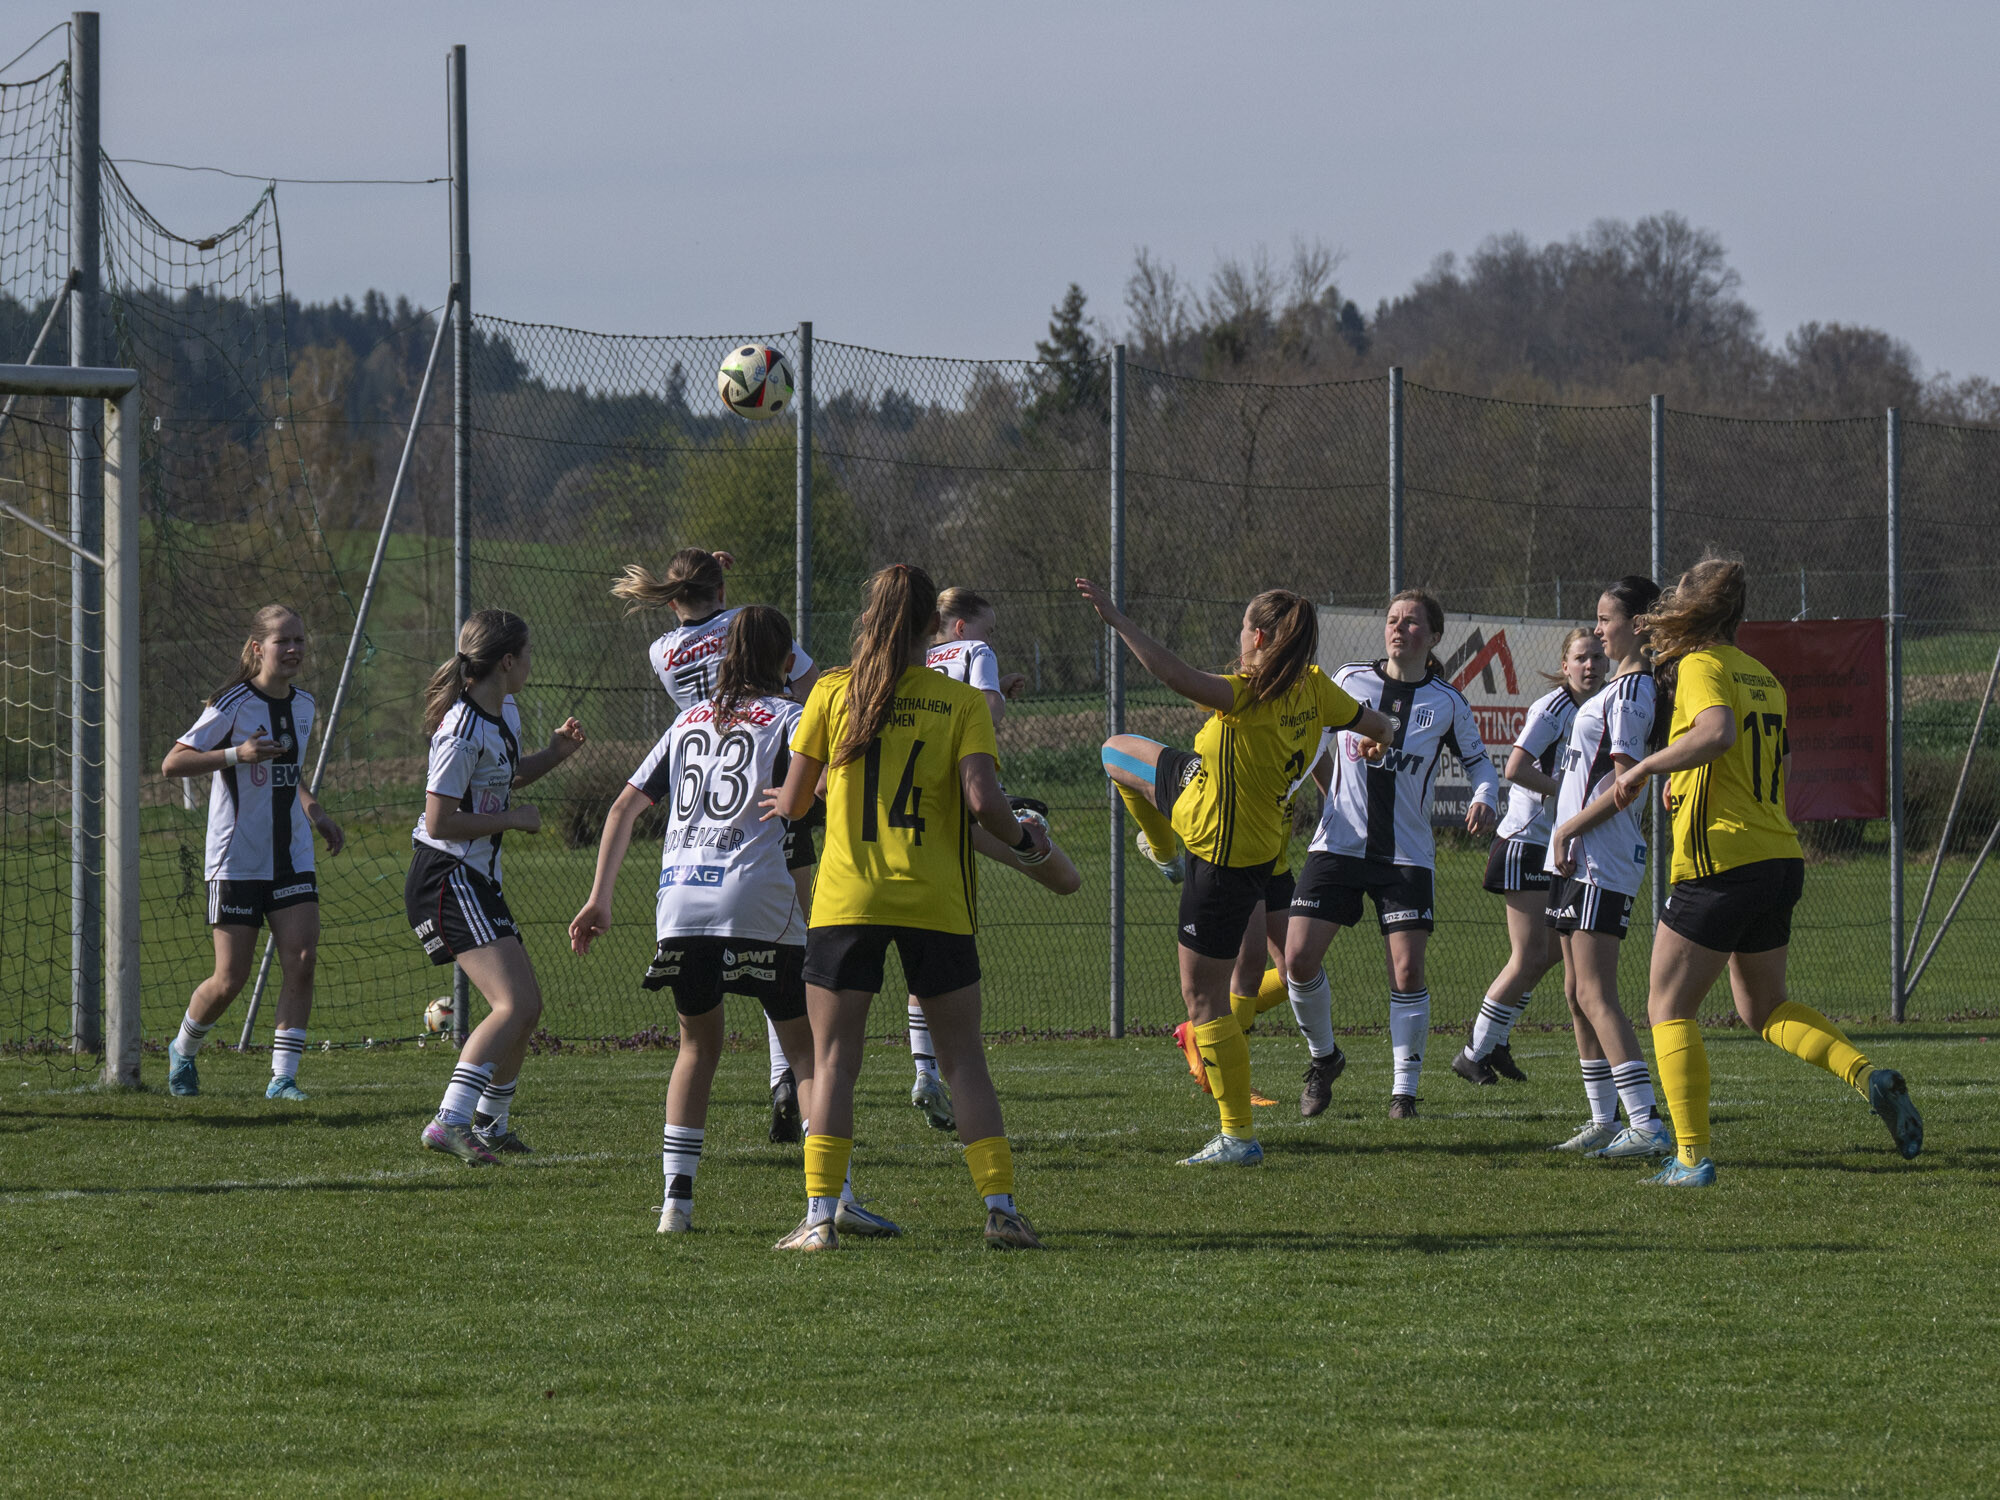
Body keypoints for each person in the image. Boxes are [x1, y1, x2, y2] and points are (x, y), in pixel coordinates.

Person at [569, 606, 898, 1237]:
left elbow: (622, 808)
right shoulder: (790, 717)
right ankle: (832, 1201)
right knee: (807, 1053)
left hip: (680, 902)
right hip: (755, 897)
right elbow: (826, 789)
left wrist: (599, 899)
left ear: (725, 658)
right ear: (785, 662)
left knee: (697, 1047)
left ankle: (676, 1207)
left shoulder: (687, 720)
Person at [763, 563, 1051, 1250]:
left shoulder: (831, 691)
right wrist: (1026, 841)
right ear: (933, 626)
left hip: (848, 898)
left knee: (834, 1061)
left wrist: (810, 794)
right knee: (963, 1061)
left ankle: (820, 1216)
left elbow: (797, 803)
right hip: (935, 897)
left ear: (869, 617)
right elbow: (983, 802)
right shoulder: (961, 702)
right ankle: (1001, 1210)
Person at [1609, 556, 1923, 1185]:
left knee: (1667, 1007)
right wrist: (1685, 782)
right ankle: (1868, 1076)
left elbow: (1717, 733)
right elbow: (1762, 762)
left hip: (1720, 862)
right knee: (1764, 1007)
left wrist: (1647, 767)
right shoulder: (1762, 675)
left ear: (1691, 610)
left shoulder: (1699, 666)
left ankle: (1691, 1158)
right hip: (1777, 855)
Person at [1079, 578, 1390, 1162]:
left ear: (1260, 637)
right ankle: (1164, 853)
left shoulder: (1248, 696)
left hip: (1223, 854)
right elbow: (1380, 727)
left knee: (1205, 1000)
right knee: (1117, 750)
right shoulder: (1316, 688)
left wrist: (1119, 621)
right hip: (1221, 808)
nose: (1239, 635)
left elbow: (1175, 675)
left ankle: (1238, 1136)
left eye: (1245, 627)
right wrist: (1378, 743)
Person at [613, 546, 821, 1144]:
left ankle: (677, 1188)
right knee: (793, 953)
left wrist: (710, 570)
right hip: (772, 787)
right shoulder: (748, 628)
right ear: (723, 590)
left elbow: (623, 806)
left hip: (700, 794)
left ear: (671, 598)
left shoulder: (661, 651)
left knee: (699, 1038)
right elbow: (805, 684)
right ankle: (788, 1081)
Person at [1284, 589, 1500, 1120]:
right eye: (1392, 619)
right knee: (1298, 959)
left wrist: (1485, 796)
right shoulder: (1349, 679)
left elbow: (1481, 766)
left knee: (1406, 971)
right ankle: (1324, 1059)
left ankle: (1404, 1094)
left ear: (1434, 636)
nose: (1399, 628)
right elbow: (1312, 742)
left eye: (1412, 622)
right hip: (1337, 844)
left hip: (1406, 855)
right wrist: (1303, 787)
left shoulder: (1448, 703)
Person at [407, 610, 585, 1165]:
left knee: (526, 1007)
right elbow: (439, 820)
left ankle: (490, 1124)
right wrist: (514, 819)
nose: (531, 664)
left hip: (473, 876)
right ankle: (450, 1120)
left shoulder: (502, 711)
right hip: (446, 874)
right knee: (513, 1005)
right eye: (527, 655)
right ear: (506, 661)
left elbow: (503, 776)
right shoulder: (460, 729)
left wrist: (554, 754)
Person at [902, 585, 1081, 1132]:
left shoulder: (916, 657)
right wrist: (995, 695)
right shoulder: (975, 651)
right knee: (1060, 873)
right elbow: (986, 710)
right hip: (962, 787)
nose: (991, 638)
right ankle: (1028, 839)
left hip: (913, 805)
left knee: (919, 939)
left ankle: (924, 1071)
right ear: (961, 627)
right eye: (988, 628)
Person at [160, 605, 344, 1101]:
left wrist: (316, 813)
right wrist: (235, 754)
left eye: (300, 640)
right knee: (230, 979)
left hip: (291, 856)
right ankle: (183, 1048)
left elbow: (288, 772)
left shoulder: (304, 705)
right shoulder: (231, 703)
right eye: (284, 641)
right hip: (236, 859)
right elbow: (173, 763)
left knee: (302, 958)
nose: (294, 649)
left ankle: (283, 1078)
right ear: (259, 648)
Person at [1544, 577, 1673, 1160]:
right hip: (1577, 857)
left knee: (1597, 993)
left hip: (1601, 858)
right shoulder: (1619, 688)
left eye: (1606, 619)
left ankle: (1646, 1123)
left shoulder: (1632, 692)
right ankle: (1603, 1119)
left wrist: (1568, 828)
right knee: (1576, 993)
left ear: (1637, 625)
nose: (1597, 630)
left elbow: (1627, 785)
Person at [1452, 628, 1605, 1087]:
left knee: (1550, 954)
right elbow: (1516, 768)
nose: (1590, 666)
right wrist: (1567, 791)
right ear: (1565, 664)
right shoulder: (1552, 708)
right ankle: (1473, 1053)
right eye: (1581, 658)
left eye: (1598, 657)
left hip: (1555, 844)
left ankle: (1496, 1040)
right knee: (1529, 956)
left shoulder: (1600, 706)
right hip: (1525, 842)